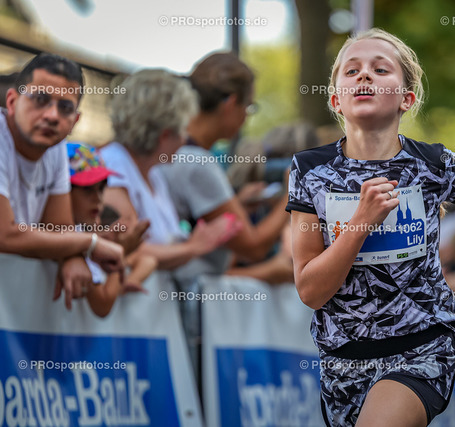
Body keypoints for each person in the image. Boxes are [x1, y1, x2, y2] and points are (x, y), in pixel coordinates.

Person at [287, 29, 455, 427]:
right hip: (343, 361)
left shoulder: (435, 164)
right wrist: (361, 223)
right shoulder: (310, 170)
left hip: (424, 346)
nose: (365, 75)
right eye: (352, 71)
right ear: (336, 99)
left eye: (380, 70)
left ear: (406, 99)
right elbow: (310, 291)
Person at [0, 53, 124, 309]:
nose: (52, 115)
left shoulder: (55, 148)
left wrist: (72, 257)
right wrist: (88, 244)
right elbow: (5, 235)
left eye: (65, 108)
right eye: (40, 99)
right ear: (12, 101)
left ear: (74, 121)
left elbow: (59, 228)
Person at [159, 52, 290, 281]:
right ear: (230, 103)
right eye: (248, 107)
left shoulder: (176, 150)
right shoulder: (197, 162)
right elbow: (253, 248)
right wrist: (293, 195)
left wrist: (237, 205)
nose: (246, 118)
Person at [101, 69, 241, 269]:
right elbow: (127, 250)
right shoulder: (114, 170)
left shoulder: (153, 173)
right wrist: (194, 247)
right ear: (164, 136)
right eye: (182, 130)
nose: (184, 140)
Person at [66, 142, 157, 317]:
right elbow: (103, 305)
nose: (98, 198)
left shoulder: (86, 235)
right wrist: (121, 253)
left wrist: (127, 272)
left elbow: (149, 260)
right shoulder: (71, 238)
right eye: (87, 189)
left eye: (101, 188)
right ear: (62, 191)